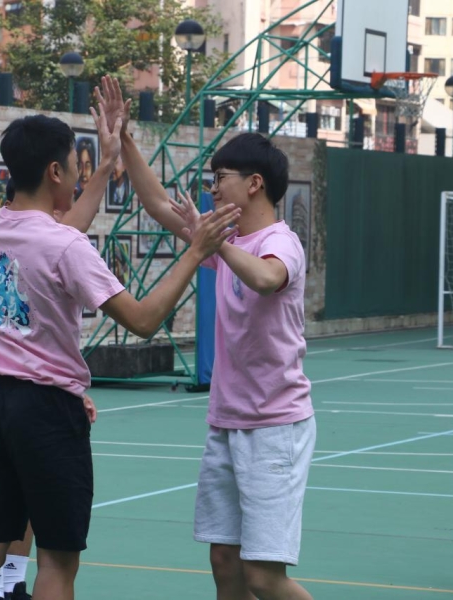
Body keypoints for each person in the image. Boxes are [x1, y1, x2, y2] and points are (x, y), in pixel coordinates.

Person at [0, 108, 239, 600]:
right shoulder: (66, 247)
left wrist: (108, 159)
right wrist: (196, 251)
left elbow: (55, 234)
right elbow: (142, 320)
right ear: (55, 171)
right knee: (57, 561)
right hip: (46, 410)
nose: (79, 174)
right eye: (77, 165)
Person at [96, 75, 316, 600]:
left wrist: (211, 242)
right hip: (227, 420)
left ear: (254, 183)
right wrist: (124, 138)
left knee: (263, 575)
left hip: (274, 426)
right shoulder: (224, 238)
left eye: (220, 178)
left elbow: (266, 278)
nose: (212, 187)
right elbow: (156, 204)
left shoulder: (279, 242)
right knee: (223, 560)